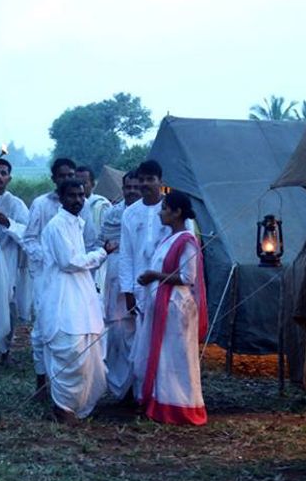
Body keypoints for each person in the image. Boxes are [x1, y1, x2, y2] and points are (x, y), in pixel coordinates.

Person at [39, 179, 116, 424]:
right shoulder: (56, 226)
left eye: (81, 195)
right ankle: (62, 408)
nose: (78, 200)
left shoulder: (77, 223)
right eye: (72, 195)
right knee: (70, 351)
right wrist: (102, 253)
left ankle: (76, 406)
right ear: (61, 198)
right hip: (62, 297)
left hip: (81, 295)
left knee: (88, 352)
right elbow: (69, 262)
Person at [131, 191, 207, 425]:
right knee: (162, 356)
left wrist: (154, 275)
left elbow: (187, 277)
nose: (160, 212)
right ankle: (158, 401)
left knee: (175, 356)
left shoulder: (187, 241)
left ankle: (179, 405)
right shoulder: (169, 238)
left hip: (176, 306)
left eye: (164, 208)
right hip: (163, 304)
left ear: (177, 212)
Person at [22, 157, 77, 391]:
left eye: (70, 175)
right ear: (54, 178)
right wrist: (47, 258)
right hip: (46, 277)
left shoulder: (79, 203)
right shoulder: (41, 204)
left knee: (68, 327)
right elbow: (29, 238)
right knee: (43, 327)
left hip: (73, 278)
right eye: (62, 176)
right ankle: (41, 380)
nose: (66, 179)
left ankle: (63, 380)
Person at [100, 169, 142, 400]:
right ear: (122, 188)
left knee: (139, 335)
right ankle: (119, 388)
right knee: (117, 333)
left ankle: (138, 389)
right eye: (128, 187)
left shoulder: (151, 214)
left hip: (141, 282)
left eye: (136, 187)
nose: (132, 191)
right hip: (116, 281)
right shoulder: (112, 214)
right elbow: (103, 243)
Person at [0, 158, 29, 359]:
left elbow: (28, 234)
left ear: (9, 178)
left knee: (7, 301)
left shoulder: (16, 204)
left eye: (3, 173)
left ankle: (5, 350)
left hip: (8, 259)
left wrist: (8, 223)